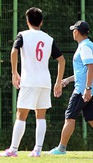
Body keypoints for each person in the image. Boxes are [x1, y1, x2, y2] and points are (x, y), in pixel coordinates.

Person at [0, 7, 65, 157]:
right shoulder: (48, 38)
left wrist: (14, 72)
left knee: (21, 115)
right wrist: (58, 81)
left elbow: (14, 51)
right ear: (41, 22)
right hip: (45, 81)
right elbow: (61, 60)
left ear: (27, 21)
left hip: (29, 81)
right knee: (41, 116)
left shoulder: (23, 35)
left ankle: (13, 150)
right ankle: (37, 150)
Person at [49, 20, 93, 155]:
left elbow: (91, 67)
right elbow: (83, 71)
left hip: (82, 90)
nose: (73, 32)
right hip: (87, 89)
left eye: (74, 30)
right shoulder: (87, 45)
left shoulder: (84, 46)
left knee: (69, 117)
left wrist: (87, 89)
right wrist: (68, 80)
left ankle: (61, 148)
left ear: (77, 32)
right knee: (91, 119)